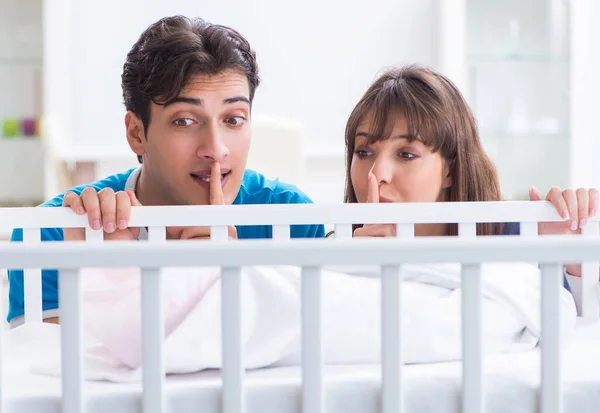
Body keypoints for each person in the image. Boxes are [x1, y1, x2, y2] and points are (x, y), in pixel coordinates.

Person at [6, 16, 324, 327]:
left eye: (234, 119)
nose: (216, 148)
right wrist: (114, 277)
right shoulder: (50, 236)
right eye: (184, 121)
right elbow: (54, 371)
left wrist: (228, 281)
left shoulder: (295, 222)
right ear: (136, 133)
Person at [339, 63, 599, 312]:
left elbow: (575, 327)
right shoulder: (336, 252)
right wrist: (357, 270)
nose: (377, 174)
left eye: (406, 154)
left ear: (450, 169)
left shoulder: (518, 238)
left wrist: (575, 261)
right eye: (363, 152)